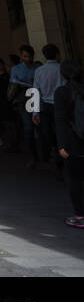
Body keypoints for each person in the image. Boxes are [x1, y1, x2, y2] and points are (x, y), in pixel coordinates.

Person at [52, 60, 84, 229]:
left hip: (73, 142)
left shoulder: (62, 92)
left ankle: (80, 215)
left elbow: (60, 120)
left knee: (75, 179)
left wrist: (61, 145)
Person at [34, 45, 64, 178]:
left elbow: (36, 91)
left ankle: (54, 161)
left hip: (45, 106)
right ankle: (63, 161)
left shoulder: (39, 71)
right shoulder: (61, 68)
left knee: (49, 134)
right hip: (61, 105)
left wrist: (35, 112)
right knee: (62, 134)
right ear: (57, 54)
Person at [10, 45, 40, 165]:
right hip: (24, 97)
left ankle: (43, 154)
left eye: (29, 56)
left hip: (37, 96)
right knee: (28, 128)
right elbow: (12, 81)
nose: (27, 58)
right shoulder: (16, 69)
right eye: (25, 56)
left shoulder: (38, 67)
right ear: (21, 56)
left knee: (41, 127)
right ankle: (33, 156)